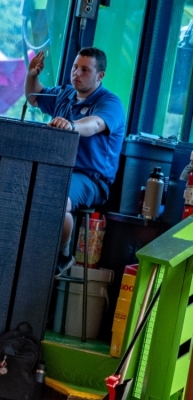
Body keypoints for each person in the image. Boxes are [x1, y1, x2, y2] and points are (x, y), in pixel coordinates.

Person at [26, 47, 125, 273]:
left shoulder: (110, 103)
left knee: (56, 198)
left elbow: (95, 124)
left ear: (100, 76)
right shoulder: (65, 94)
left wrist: (71, 125)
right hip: (57, 170)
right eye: (74, 67)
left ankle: (63, 255)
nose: (76, 74)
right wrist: (32, 76)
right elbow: (33, 97)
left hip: (91, 178)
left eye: (84, 70)